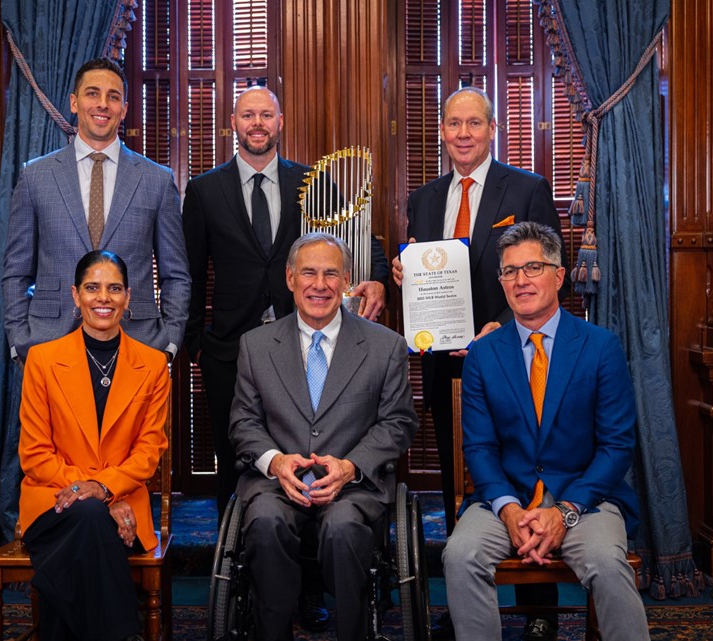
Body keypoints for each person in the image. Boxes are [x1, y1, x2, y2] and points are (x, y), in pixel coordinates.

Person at [183, 86, 390, 630]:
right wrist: (191, 347)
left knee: (321, 457)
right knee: (243, 467)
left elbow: (362, 243)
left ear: (281, 121)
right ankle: (251, 583)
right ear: (233, 122)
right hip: (234, 352)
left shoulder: (312, 183)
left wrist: (374, 277)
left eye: (266, 114)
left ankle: (313, 589)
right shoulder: (204, 191)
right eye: (247, 114)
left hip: (314, 340)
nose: (257, 123)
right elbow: (189, 271)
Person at [392, 86, 565, 639]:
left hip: (515, 356)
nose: (463, 133)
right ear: (441, 131)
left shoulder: (528, 189)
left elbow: (544, 274)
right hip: (444, 366)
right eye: (453, 124)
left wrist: (504, 327)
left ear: (492, 130)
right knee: (455, 475)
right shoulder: (424, 198)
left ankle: (537, 609)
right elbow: (428, 273)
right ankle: (470, 604)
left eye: (474, 123)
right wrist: (405, 275)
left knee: (526, 471)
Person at [441, 222, 649, 641]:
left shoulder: (600, 346)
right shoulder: (482, 354)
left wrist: (565, 511)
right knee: (459, 555)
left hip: (585, 500)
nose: (521, 280)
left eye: (533, 267)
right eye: (510, 271)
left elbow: (616, 445)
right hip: (506, 501)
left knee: (609, 565)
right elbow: (479, 446)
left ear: (558, 275)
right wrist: (508, 509)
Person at [229, 232, 417, 641]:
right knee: (263, 522)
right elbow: (243, 422)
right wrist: (276, 462)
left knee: (344, 528)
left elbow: (398, 423)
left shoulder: (387, 347)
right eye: (308, 273)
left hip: (354, 487)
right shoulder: (255, 345)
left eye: (331, 274)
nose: (319, 284)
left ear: (346, 279)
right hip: (277, 484)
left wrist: (351, 467)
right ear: (290, 278)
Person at [17, 250, 170, 641]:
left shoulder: (153, 365)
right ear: (74, 295)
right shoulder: (42, 360)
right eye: (92, 287)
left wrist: (101, 490)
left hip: (122, 506)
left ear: (128, 297)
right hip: (52, 502)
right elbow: (34, 455)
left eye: (114, 288)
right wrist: (101, 494)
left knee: (88, 520)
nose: (103, 297)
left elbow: (149, 453)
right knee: (87, 516)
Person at [4, 57, 189, 365]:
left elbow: (176, 274)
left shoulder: (157, 180)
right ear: (74, 103)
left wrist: (168, 341)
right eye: (92, 93)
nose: (102, 104)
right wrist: (20, 341)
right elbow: (15, 271)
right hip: (49, 343)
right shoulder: (35, 176)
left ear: (124, 109)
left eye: (113, 96)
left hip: (138, 343)